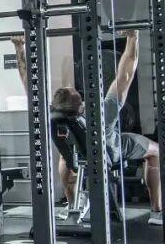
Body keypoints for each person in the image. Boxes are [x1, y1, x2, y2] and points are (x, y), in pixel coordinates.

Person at [12, 31, 161, 225]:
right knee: (156, 151)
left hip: (78, 154)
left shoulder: (50, 115)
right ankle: (157, 211)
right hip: (111, 150)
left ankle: (72, 204)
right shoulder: (102, 112)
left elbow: (28, 81)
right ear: (81, 104)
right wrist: (133, 38)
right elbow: (125, 75)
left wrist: (19, 47)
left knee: (66, 156)